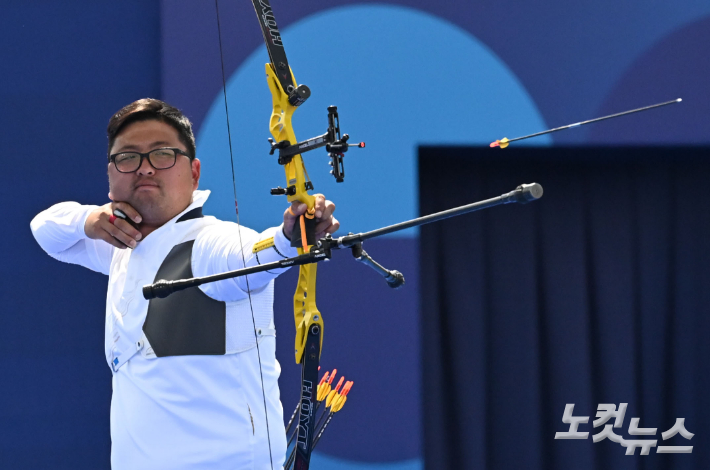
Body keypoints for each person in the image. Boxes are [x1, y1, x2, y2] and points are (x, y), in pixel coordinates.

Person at [30, 98, 339, 469]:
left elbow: (252, 256)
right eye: (127, 158)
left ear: (193, 172)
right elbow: (45, 229)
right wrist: (91, 219)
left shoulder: (209, 244)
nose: (144, 169)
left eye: (162, 155)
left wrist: (289, 238)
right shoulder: (121, 247)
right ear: (110, 176)